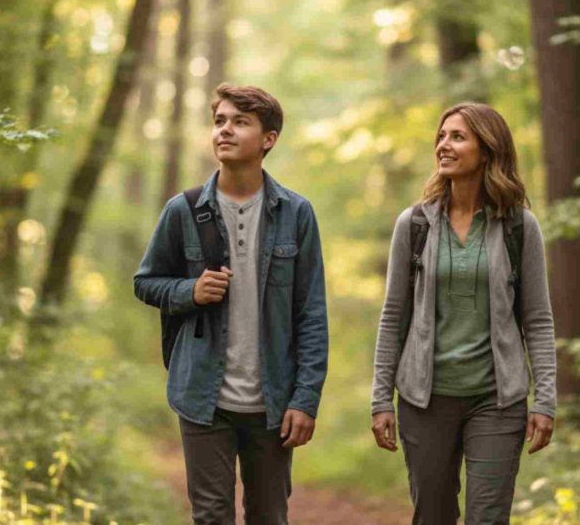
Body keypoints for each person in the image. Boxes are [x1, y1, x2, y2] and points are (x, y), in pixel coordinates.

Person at [134, 84, 328, 525]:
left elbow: (311, 314)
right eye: (220, 121)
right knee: (211, 517)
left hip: (274, 402)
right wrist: (189, 291)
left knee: (268, 516)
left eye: (240, 122)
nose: (225, 130)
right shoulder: (182, 210)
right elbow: (146, 283)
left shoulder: (297, 214)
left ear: (268, 139)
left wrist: (306, 398)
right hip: (203, 397)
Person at [370, 102, 557, 525]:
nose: (444, 145)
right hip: (424, 400)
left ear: (487, 150)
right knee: (433, 515)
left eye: (458, 137)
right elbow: (393, 317)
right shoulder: (414, 224)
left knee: (487, 518)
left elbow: (538, 320)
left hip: (496, 400)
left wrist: (544, 400)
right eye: (441, 136)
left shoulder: (518, 227)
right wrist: (381, 399)